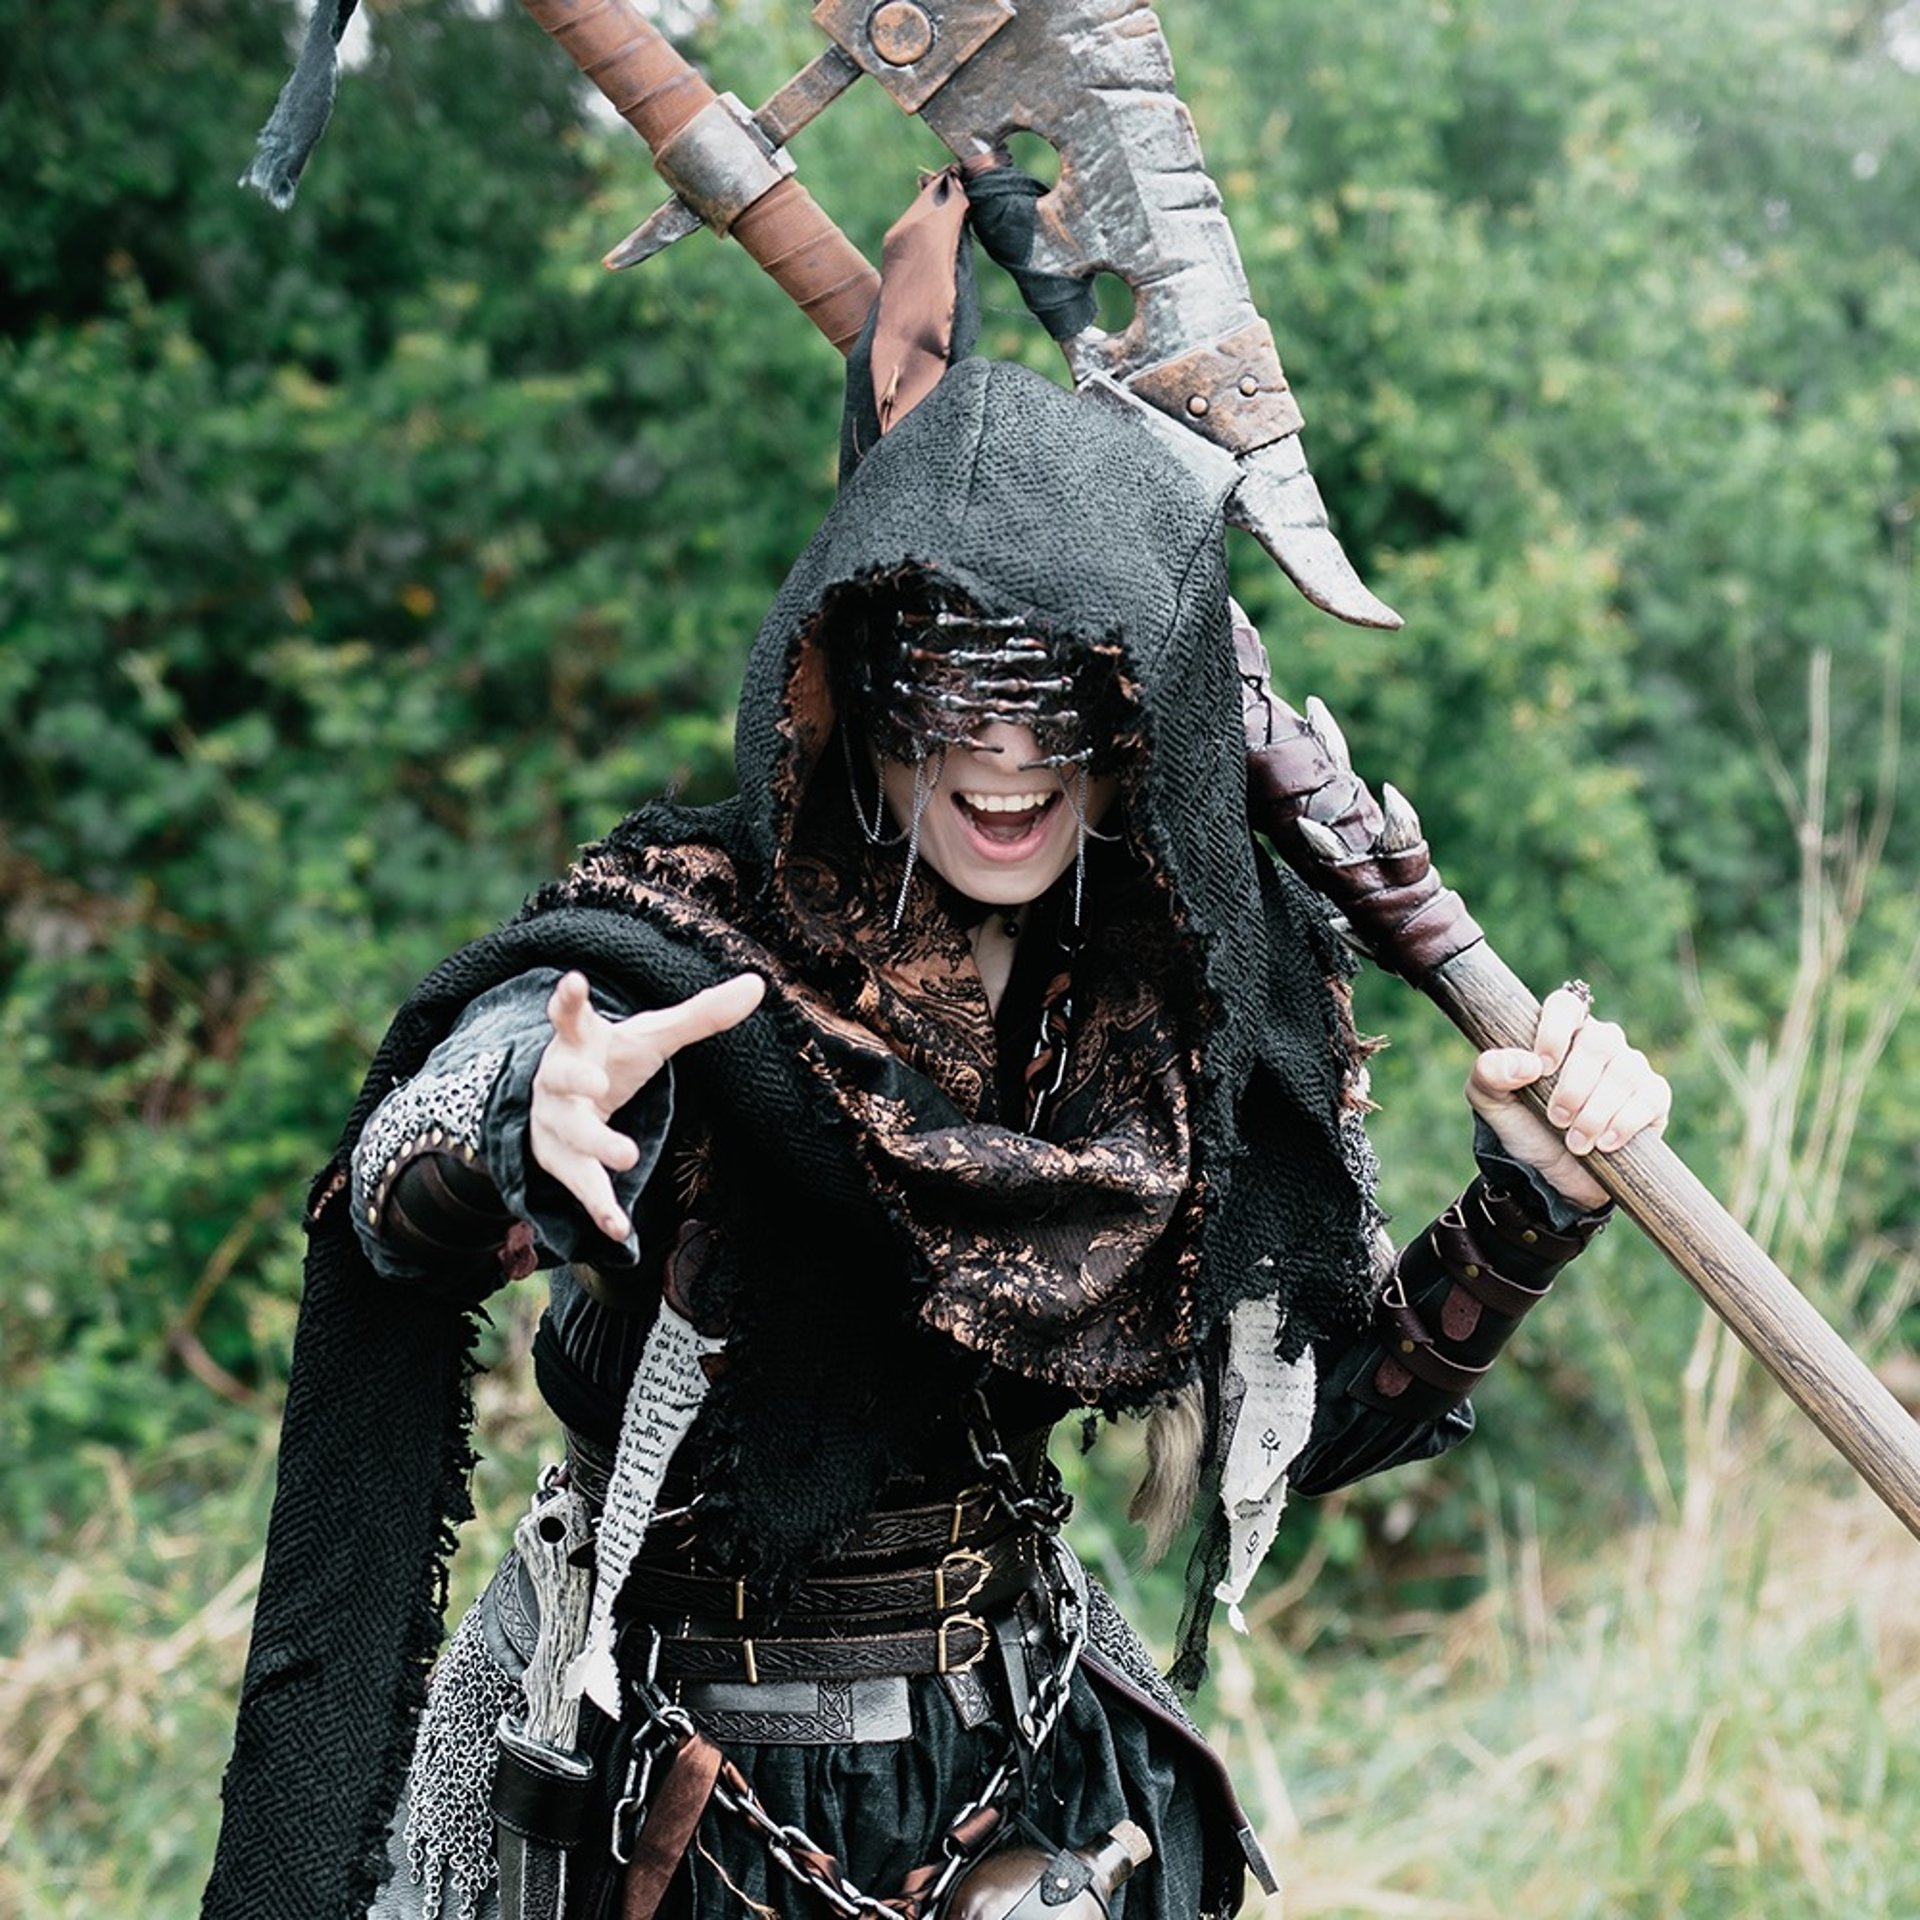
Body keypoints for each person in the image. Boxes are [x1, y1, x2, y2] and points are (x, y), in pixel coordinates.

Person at [203, 357, 1669, 1920]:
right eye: (948, 690)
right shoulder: (692, 941)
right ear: (846, 683)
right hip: (670, 1793)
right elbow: (409, 1181)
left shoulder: (1176, 1012)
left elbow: (1300, 1423)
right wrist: (522, 1119)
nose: (1006, 761)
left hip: (1036, 1769)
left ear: (1138, 716)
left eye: (1056, 698)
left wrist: (1535, 1200)